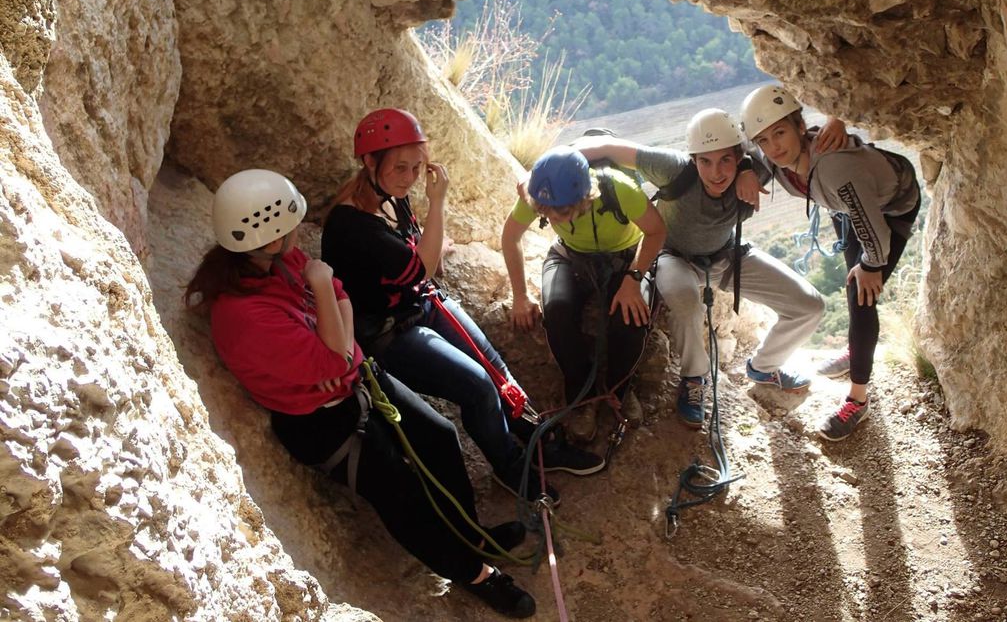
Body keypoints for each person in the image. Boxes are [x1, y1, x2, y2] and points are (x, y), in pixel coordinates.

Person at [185, 169, 536, 618]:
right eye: (289, 227)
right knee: (402, 497)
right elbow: (333, 342)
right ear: (270, 236)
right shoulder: (245, 315)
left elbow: (338, 298)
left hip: (356, 383)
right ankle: (475, 574)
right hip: (321, 423)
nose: (297, 232)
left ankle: (472, 534)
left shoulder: (278, 262)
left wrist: (339, 337)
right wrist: (333, 325)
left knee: (439, 437)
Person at [321, 109, 605, 506]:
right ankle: (512, 468)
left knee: (495, 368)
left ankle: (542, 443)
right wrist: (438, 203)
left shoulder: (391, 199)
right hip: (386, 333)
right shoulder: (352, 224)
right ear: (369, 162)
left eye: (417, 168)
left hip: (420, 303)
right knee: (476, 386)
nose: (411, 178)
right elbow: (423, 264)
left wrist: (430, 235)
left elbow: (421, 254)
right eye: (400, 167)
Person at [573, 108, 833, 428]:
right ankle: (694, 380)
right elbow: (608, 149)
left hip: (725, 255)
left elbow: (798, 142)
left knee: (810, 304)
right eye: (705, 161)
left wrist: (838, 122)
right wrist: (548, 169)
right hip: (672, 255)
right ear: (693, 159)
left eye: (726, 160)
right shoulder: (674, 168)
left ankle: (765, 365)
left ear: (739, 156)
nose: (716, 173)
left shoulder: (756, 165)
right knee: (685, 301)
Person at [740, 85, 921, 441]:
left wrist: (871, 266)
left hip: (891, 205)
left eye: (780, 133)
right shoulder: (775, 158)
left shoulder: (836, 168)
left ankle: (858, 399)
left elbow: (876, 236)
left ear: (799, 126)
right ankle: (857, 350)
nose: (774, 147)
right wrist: (747, 168)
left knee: (861, 293)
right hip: (849, 204)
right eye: (765, 140)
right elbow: (743, 150)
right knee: (853, 278)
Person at [501, 144, 667, 442]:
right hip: (570, 256)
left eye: (562, 212)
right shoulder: (540, 193)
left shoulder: (617, 188)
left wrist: (634, 278)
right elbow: (511, 235)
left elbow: (656, 231)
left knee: (631, 320)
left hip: (625, 258)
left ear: (586, 196)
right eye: (547, 214)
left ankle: (618, 391)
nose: (554, 219)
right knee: (557, 313)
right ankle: (581, 398)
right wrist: (520, 295)